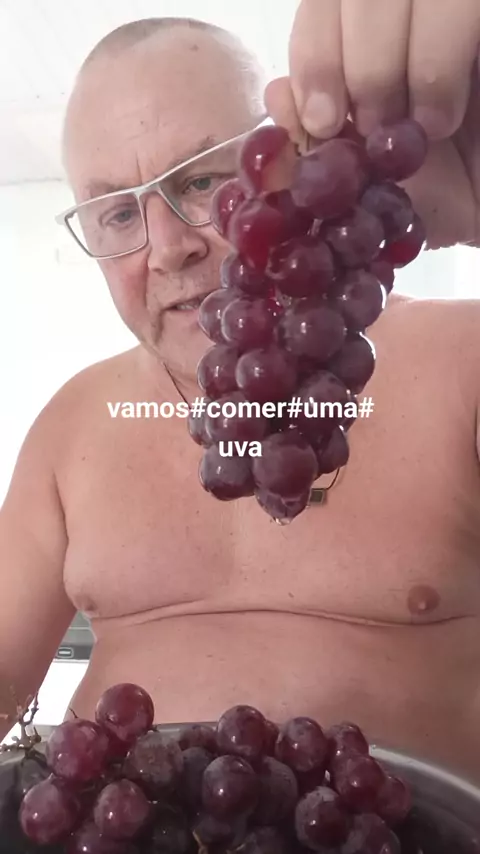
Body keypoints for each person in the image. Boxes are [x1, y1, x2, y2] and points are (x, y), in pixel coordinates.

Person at [1, 0, 479, 782]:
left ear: (292, 168)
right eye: (117, 213)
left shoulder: (465, 363)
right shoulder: (71, 424)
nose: (167, 249)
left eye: (201, 181)